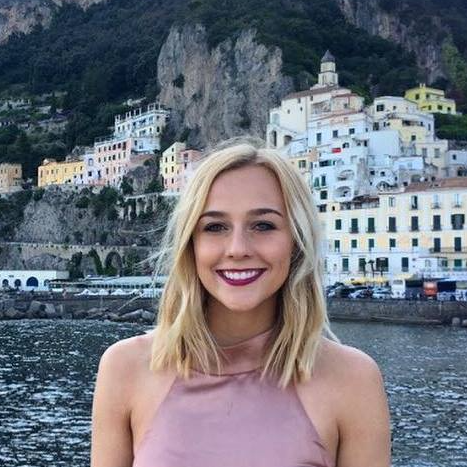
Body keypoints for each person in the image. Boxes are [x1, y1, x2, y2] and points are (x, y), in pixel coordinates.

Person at [91, 141, 391, 467]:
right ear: (191, 244)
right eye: (215, 227)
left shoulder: (352, 380)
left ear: (296, 242)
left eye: (263, 225)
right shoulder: (125, 369)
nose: (237, 249)